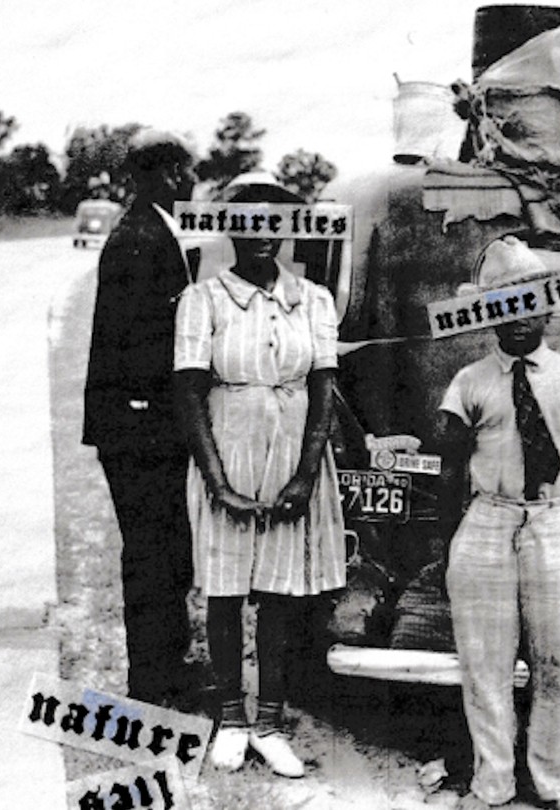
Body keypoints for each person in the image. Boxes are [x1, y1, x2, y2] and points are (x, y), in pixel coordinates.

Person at [173, 178, 346, 778]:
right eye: (248, 225)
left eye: (274, 224)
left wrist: (305, 476)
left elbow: (324, 389)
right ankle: (232, 717)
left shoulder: (315, 299)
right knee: (225, 591)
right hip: (230, 449)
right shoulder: (204, 299)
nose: (263, 236)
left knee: (279, 593)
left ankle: (269, 723)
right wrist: (217, 481)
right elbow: (190, 393)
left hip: (295, 455)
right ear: (230, 230)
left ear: (288, 229)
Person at [435, 236, 560, 810]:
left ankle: (557, 782)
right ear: (488, 313)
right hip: (487, 523)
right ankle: (493, 784)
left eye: (529, 303)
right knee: (485, 664)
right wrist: (449, 547)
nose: (518, 318)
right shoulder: (470, 382)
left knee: (558, 662)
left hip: (555, 525)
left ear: (549, 308)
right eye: (504, 305)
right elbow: (449, 470)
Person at [82, 128, 202, 706]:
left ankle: (167, 666)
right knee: (153, 553)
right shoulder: (139, 236)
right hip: (137, 424)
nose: (194, 180)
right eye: (189, 170)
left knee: (168, 547)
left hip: (148, 421)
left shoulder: (152, 228)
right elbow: (134, 342)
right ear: (171, 173)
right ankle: (152, 681)